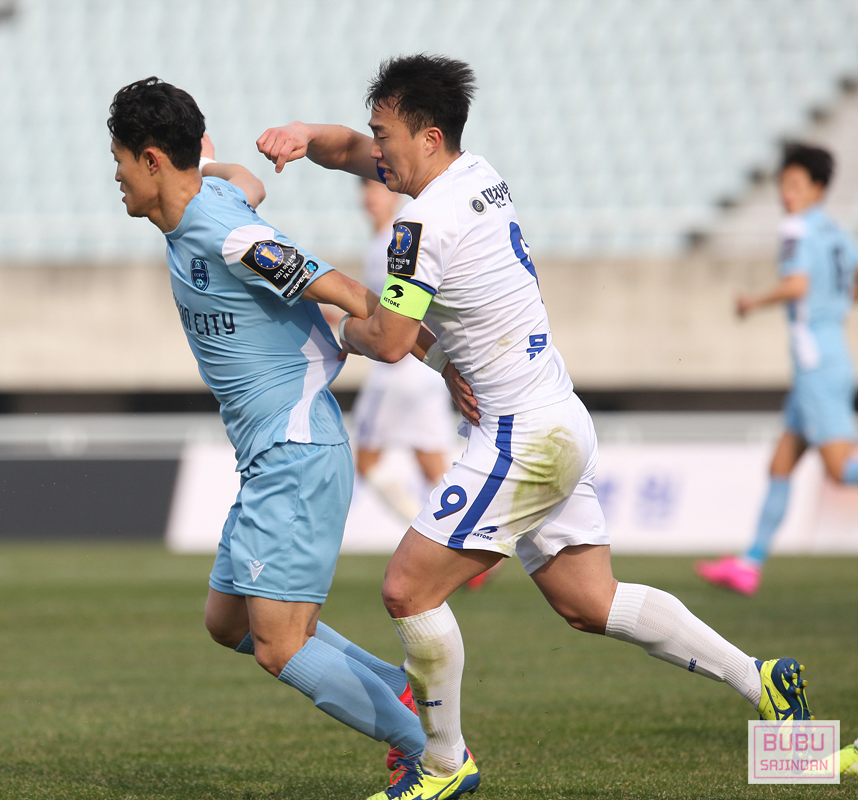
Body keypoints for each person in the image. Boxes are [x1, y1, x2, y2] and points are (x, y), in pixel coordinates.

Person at [257, 54, 817, 800]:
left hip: (520, 435)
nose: (375, 149)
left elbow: (388, 340)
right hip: (558, 415)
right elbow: (353, 152)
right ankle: (761, 680)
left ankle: (444, 765)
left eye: (384, 134)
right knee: (590, 602)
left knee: (407, 590)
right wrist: (307, 135)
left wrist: (337, 325)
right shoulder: (476, 172)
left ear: (427, 137)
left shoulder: (419, 221)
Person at [107, 76, 438, 777]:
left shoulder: (229, 235)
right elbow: (247, 181)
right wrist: (212, 164)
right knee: (227, 622)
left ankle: (432, 751)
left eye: (121, 160)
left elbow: (348, 290)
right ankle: (397, 689)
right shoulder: (211, 202)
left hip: (296, 450)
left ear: (152, 161)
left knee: (280, 645)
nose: (116, 177)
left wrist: (441, 358)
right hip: (269, 455)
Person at [696, 143, 858, 596]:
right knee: (781, 463)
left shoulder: (796, 228)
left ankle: (750, 562)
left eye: (796, 185)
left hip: (814, 362)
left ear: (818, 188)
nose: (787, 194)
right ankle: (750, 563)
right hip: (831, 352)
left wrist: (752, 302)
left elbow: (798, 284)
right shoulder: (837, 234)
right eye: (784, 184)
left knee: (840, 470)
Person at [351, 178, 457, 522]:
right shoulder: (383, 241)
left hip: (396, 370)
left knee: (366, 461)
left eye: (376, 188)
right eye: (365, 188)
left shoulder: (394, 243)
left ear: (393, 195)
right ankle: (462, 534)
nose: (370, 196)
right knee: (433, 466)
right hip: (426, 370)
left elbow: (394, 313)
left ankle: (419, 529)